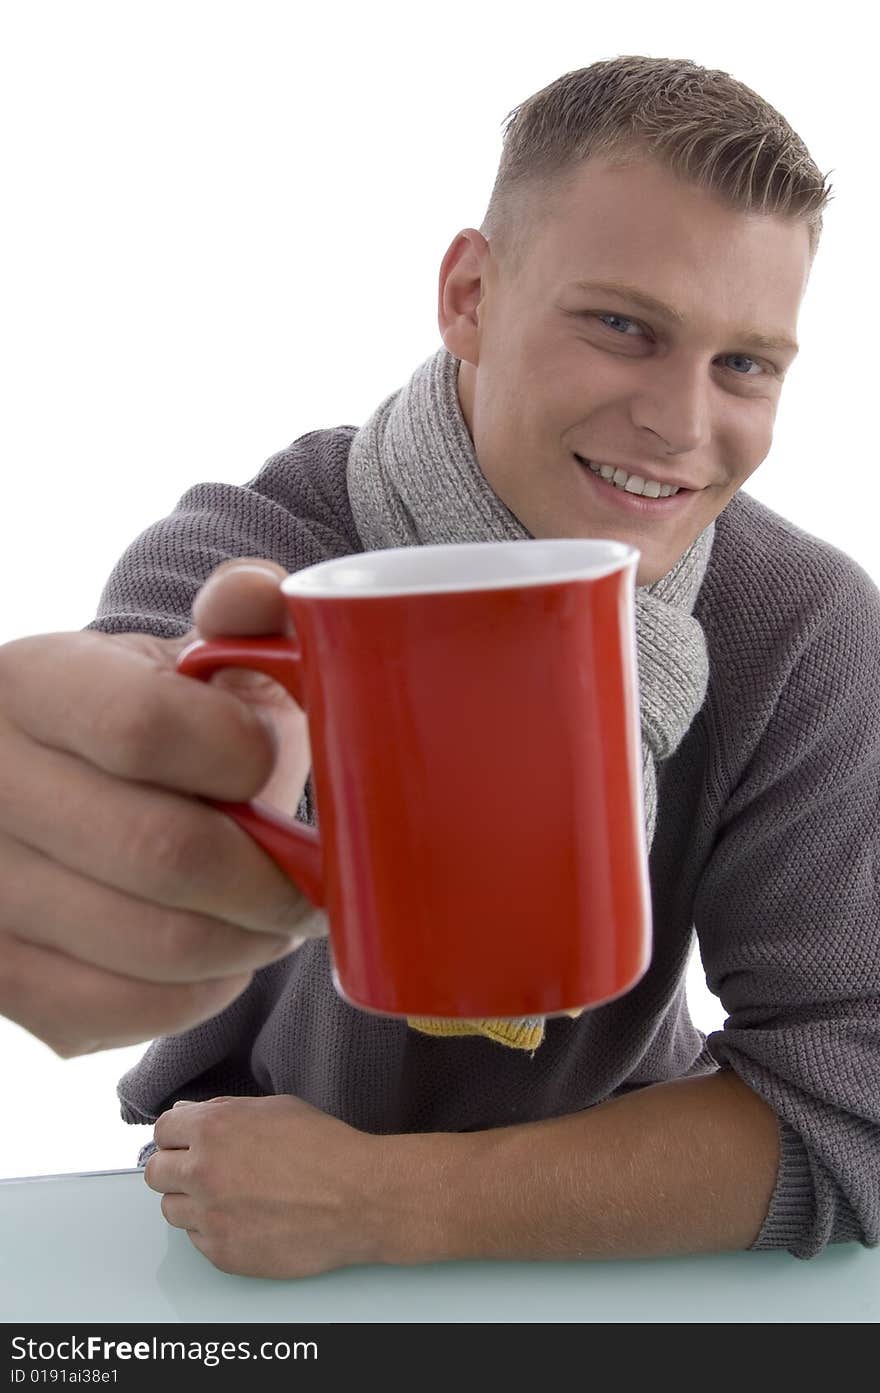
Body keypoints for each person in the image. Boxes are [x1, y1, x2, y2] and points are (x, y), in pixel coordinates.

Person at [1, 54, 877, 1277]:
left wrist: (392, 1206)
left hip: (635, 1251)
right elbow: (133, 704)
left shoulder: (805, 627)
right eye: (623, 326)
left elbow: (855, 1089)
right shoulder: (259, 562)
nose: (682, 424)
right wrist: (103, 819)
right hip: (220, 1209)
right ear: (469, 294)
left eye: (746, 364)